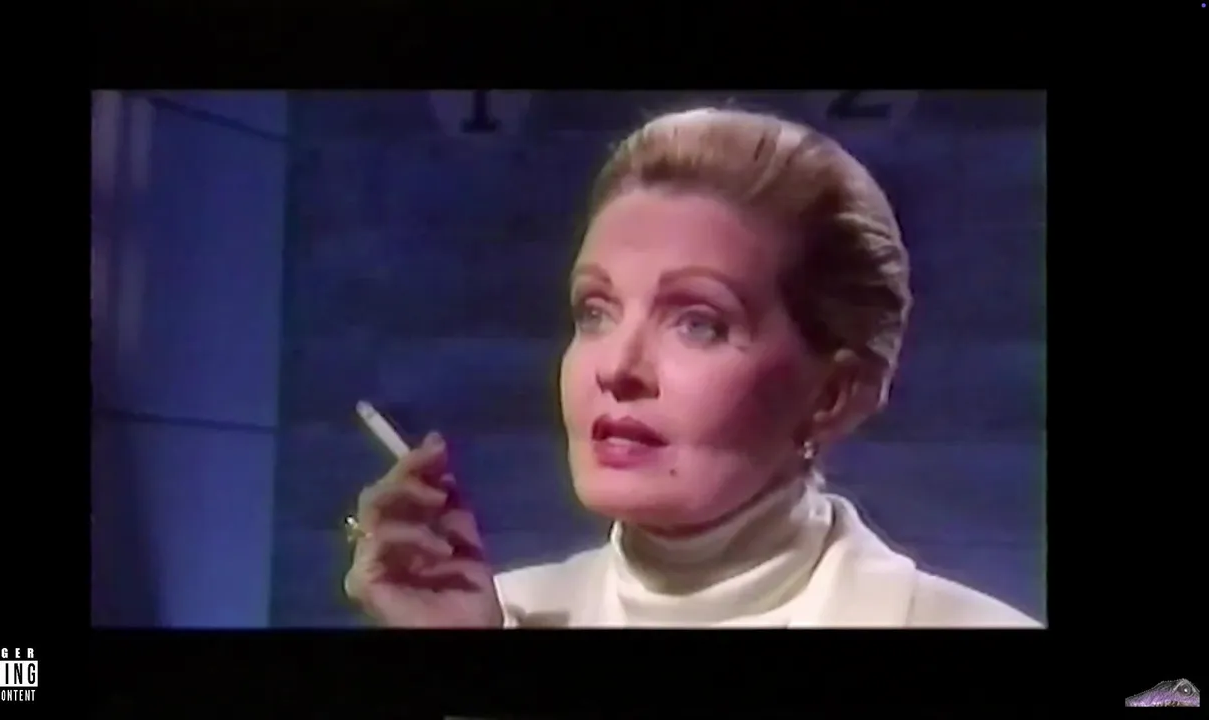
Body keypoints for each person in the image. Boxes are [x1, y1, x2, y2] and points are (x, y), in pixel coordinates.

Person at [342, 107, 1042, 628]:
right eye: (595, 312)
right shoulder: (499, 620)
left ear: (833, 393)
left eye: (698, 323)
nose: (618, 367)